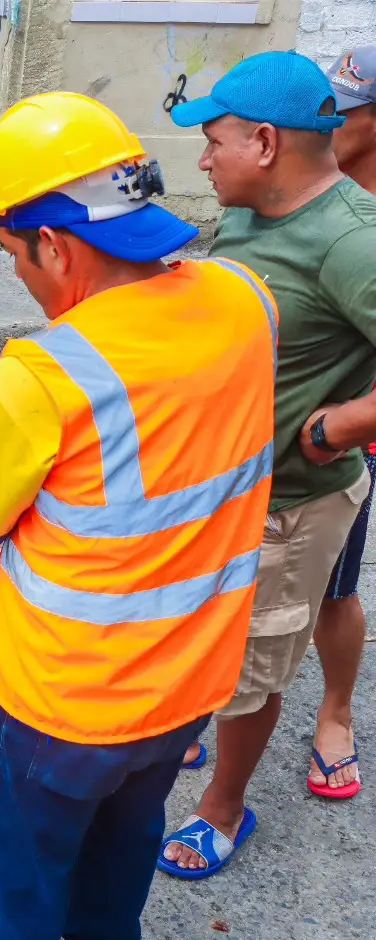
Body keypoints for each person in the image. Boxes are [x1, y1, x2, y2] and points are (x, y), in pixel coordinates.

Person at [0, 92, 276, 940]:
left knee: (10, 912)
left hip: (62, 711)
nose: (15, 270)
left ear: (52, 244)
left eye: (13, 251)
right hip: (186, 693)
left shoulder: (46, 375)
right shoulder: (248, 302)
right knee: (110, 894)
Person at [160, 50, 376, 878]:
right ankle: (189, 733)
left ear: (263, 141)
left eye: (212, 141)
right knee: (202, 635)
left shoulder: (351, 241)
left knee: (254, 669)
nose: (202, 158)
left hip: (293, 500)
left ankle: (224, 807)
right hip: (220, 485)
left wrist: (344, 423)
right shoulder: (248, 205)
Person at [300, 42, 376, 801]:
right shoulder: (301, 187)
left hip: (344, 449)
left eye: (341, 113)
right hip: (262, 440)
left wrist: (342, 425)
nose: (325, 124)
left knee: (335, 590)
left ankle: (335, 710)